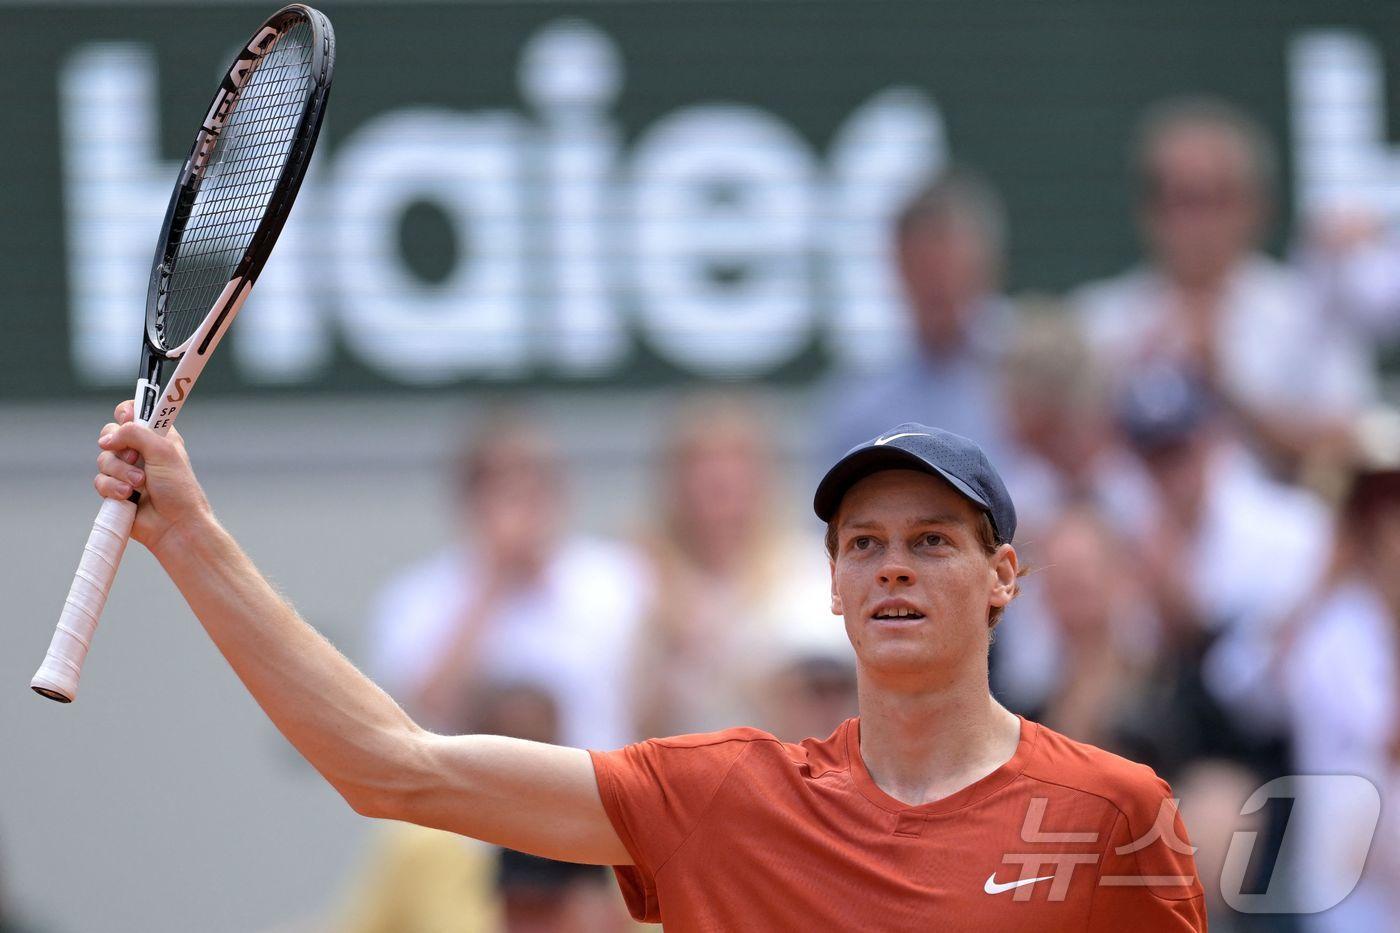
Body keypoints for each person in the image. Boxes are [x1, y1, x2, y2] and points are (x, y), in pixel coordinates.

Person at [92, 407, 1205, 930]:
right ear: (828, 585)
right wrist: (186, 534)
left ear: (1002, 574)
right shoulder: (719, 795)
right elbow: (392, 768)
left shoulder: (1109, 811)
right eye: (862, 545)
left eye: (930, 542)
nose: (891, 570)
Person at [1074, 96, 1376, 470]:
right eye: (1182, 200)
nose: (1199, 225)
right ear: (1148, 212)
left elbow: (1348, 448)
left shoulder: (1308, 313)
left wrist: (1222, 387)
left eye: (1218, 201)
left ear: (1258, 207)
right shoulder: (1100, 321)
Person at [366, 413, 648, 748]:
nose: (522, 505)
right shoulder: (416, 597)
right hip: (473, 793)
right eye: (503, 490)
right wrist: (492, 584)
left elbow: (651, 710)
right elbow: (423, 710)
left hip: (596, 787)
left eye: (534, 486)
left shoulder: (620, 579)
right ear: (468, 500)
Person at [631, 396, 839, 738]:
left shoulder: (811, 572)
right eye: (701, 465)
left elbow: (825, 719)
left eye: (736, 465)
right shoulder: (633, 579)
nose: (719, 482)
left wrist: (725, 660)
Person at [818, 168, 1016, 467]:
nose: (940, 286)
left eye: (952, 267)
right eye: (924, 269)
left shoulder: (1034, 372)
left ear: (986, 267)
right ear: (899, 270)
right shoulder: (859, 403)